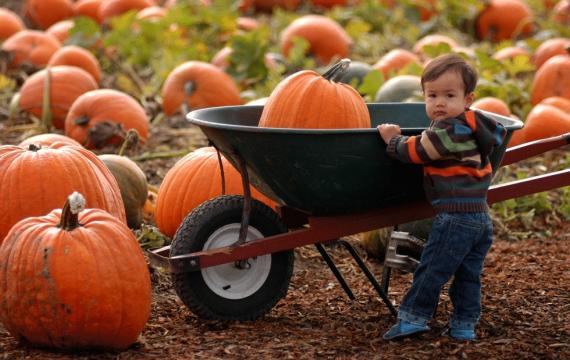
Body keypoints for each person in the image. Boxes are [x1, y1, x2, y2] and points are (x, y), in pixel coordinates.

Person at [378, 53, 507, 341]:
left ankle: (413, 317)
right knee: (467, 275)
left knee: (432, 269)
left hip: (456, 218)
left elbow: (419, 152)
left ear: (467, 99)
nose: (439, 103)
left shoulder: (451, 129)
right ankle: (464, 325)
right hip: (479, 218)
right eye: (432, 95)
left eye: (449, 95)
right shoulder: (472, 127)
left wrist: (393, 139)